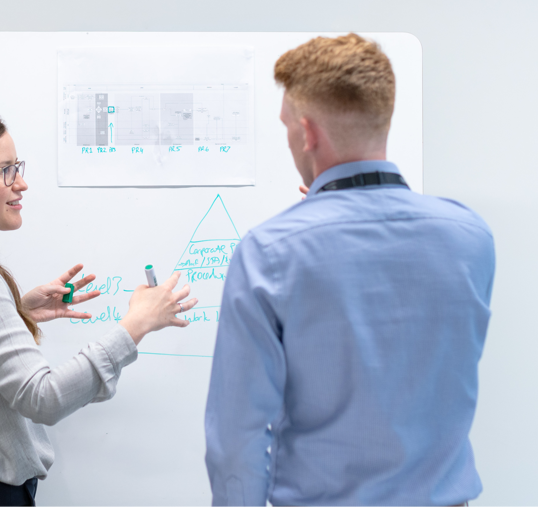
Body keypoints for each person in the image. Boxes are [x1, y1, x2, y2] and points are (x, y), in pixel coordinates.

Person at [205, 34, 495, 507]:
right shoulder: (470, 237)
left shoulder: (269, 253)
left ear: (307, 133)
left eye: (286, 127)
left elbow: (238, 438)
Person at [0, 111, 198, 507]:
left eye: (18, 167)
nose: (21, 183)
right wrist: (136, 325)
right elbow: (44, 398)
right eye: (4, 171)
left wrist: (17, 311)